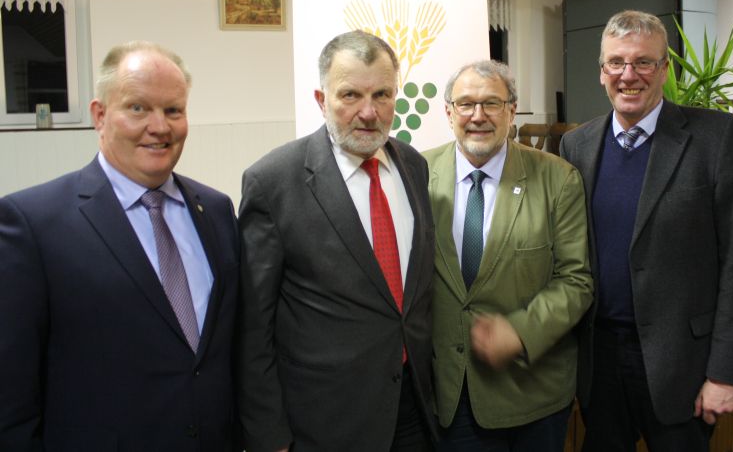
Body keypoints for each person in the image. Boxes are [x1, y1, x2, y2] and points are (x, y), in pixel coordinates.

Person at [0, 41, 240, 451]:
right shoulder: (33, 224)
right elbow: (13, 397)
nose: (160, 126)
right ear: (99, 115)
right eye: (138, 108)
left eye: (173, 110)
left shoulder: (216, 211)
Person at [560, 9, 733, 452]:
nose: (628, 75)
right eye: (616, 63)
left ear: (664, 69)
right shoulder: (576, 145)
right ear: (601, 72)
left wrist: (727, 372)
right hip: (599, 364)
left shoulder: (718, 138)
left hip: (684, 366)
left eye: (643, 62)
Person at [236, 30, 436, 451]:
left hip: (413, 409)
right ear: (321, 99)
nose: (368, 112)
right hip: (325, 423)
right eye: (350, 95)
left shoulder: (413, 166)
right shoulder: (274, 182)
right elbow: (254, 328)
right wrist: (268, 435)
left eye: (382, 94)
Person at [423, 59, 593, 452]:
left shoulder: (558, 179)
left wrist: (518, 332)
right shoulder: (417, 173)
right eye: (465, 104)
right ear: (448, 112)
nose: (477, 116)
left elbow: (576, 280)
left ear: (512, 111)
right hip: (450, 390)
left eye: (491, 104)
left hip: (531, 394)